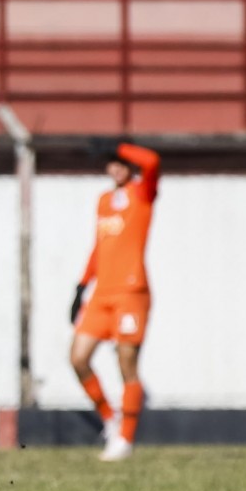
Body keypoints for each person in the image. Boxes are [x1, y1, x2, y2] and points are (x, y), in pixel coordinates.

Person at [69, 141, 160, 462]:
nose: (116, 167)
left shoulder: (142, 192)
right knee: (78, 358)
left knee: (126, 363)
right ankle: (110, 418)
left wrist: (121, 145)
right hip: (102, 295)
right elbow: (99, 245)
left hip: (131, 293)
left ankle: (125, 439)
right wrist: (82, 284)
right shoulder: (104, 200)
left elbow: (152, 161)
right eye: (111, 162)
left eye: (121, 162)